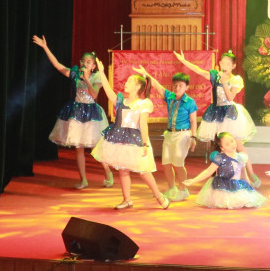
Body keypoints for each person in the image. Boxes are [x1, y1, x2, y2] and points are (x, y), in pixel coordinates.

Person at [33, 35, 113, 189]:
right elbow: (58, 65)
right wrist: (45, 47)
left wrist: (87, 79)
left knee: (95, 147)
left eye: (88, 62)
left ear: (93, 66)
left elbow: (94, 95)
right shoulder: (75, 74)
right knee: (78, 148)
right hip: (76, 112)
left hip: (91, 114)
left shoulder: (97, 77)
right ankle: (83, 179)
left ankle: (108, 172)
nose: (84, 63)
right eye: (83, 61)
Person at [175, 50, 259, 186]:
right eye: (222, 63)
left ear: (233, 66)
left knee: (238, 146)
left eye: (228, 64)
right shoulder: (215, 76)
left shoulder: (235, 79)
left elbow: (230, 98)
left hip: (229, 114)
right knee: (218, 146)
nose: (224, 66)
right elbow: (199, 71)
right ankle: (219, 177)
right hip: (215, 113)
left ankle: (250, 175)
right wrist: (184, 61)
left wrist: (224, 82)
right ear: (219, 63)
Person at [90, 69, 169, 210]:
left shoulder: (143, 104)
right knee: (123, 169)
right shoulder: (121, 100)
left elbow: (143, 125)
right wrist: (101, 72)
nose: (126, 83)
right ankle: (127, 200)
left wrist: (145, 144)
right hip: (120, 138)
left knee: (143, 171)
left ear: (138, 86)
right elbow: (107, 90)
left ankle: (159, 196)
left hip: (135, 140)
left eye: (130, 81)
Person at [132, 66, 198, 202]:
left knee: (178, 163)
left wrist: (193, 137)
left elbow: (193, 121)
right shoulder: (170, 97)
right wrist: (147, 74)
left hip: (183, 135)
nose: (177, 88)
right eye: (175, 85)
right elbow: (157, 86)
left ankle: (183, 189)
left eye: (180, 86)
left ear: (187, 87)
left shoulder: (190, 102)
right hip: (169, 134)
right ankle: (172, 188)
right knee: (166, 163)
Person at [183, 132, 266, 209]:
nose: (232, 145)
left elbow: (244, 175)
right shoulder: (219, 158)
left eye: (232, 141)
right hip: (221, 188)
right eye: (227, 144)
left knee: (246, 200)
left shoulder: (241, 157)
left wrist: (249, 188)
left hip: (236, 185)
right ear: (222, 148)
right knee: (231, 202)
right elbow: (208, 171)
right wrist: (193, 181)